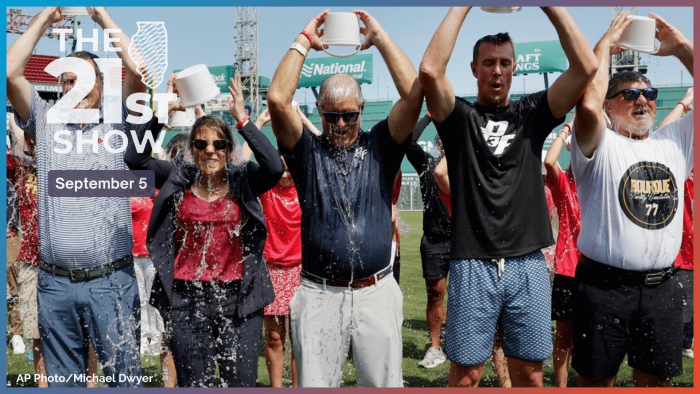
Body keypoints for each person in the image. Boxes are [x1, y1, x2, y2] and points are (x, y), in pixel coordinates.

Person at [419, 6, 597, 387]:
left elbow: (585, 68)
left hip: (527, 262)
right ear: (474, 69)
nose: (496, 71)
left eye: (504, 63)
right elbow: (430, 71)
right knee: (466, 375)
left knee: (531, 375)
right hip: (472, 262)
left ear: (515, 68)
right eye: (487, 63)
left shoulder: (531, 113)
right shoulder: (459, 118)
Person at [267, 9, 423, 387]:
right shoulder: (307, 153)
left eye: (349, 116)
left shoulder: (381, 147)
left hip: (376, 291)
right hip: (319, 294)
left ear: (361, 112)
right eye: (332, 116)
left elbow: (415, 93)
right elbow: (276, 98)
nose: (340, 125)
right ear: (319, 113)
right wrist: (304, 39)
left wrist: (381, 38)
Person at [7, 7, 148, 386]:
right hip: (55, 286)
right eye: (67, 82)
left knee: (125, 382)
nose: (75, 89)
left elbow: (138, 72)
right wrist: (45, 17)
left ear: (102, 84)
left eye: (84, 80)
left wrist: (103, 19)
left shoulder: (120, 123)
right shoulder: (47, 121)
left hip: (111, 282)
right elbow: (11, 72)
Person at [125, 74, 283, 387]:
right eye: (201, 144)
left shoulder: (242, 179)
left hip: (239, 299)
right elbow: (135, 158)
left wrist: (243, 120)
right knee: (192, 382)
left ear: (227, 149)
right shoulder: (178, 176)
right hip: (186, 298)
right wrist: (162, 111)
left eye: (218, 144)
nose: (210, 150)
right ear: (193, 150)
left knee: (240, 382)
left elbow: (275, 168)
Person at [571, 11, 693, 387]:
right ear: (610, 104)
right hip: (604, 288)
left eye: (649, 93)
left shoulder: (674, 141)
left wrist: (683, 49)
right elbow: (587, 105)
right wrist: (604, 46)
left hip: (664, 288)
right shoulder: (598, 142)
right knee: (597, 383)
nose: (643, 100)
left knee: (655, 383)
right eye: (630, 94)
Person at [405, 115, 450, 369]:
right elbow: (409, 141)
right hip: (433, 240)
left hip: (464, 239)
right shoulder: (427, 163)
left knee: (466, 295)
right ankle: (435, 347)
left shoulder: (466, 164)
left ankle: (460, 341)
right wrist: (429, 117)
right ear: (437, 145)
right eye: (442, 140)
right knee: (435, 295)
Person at [543, 117, 580, 387]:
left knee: (591, 334)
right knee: (564, 334)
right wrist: (567, 128)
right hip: (568, 269)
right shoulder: (565, 185)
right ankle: (562, 387)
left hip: (598, 269)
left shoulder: (602, 185)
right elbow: (548, 161)